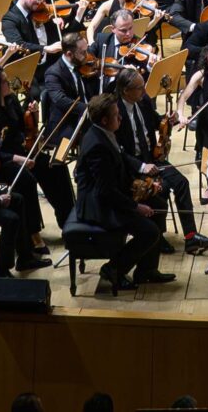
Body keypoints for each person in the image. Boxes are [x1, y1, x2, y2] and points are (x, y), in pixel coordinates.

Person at [70, 95, 172, 295]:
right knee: (149, 231)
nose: (121, 118)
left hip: (110, 193)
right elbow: (105, 191)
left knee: (159, 205)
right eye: (116, 115)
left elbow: (121, 157)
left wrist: (144, 179)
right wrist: (136, 206)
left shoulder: (104, 132)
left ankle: (147, 270)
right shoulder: (96, 146)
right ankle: (113, 269)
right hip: (99, 205)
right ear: (104, 120)